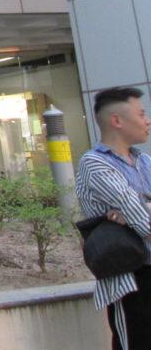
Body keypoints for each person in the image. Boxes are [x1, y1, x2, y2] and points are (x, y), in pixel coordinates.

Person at [76, 87, 151, 349]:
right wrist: (139, 212)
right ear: (117, 120)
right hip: (131, 276)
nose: (147, 121)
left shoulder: (144, 161)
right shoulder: (95, 163)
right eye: (141, 114)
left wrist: (139, 210)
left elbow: (137, 214)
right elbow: (144, 223)